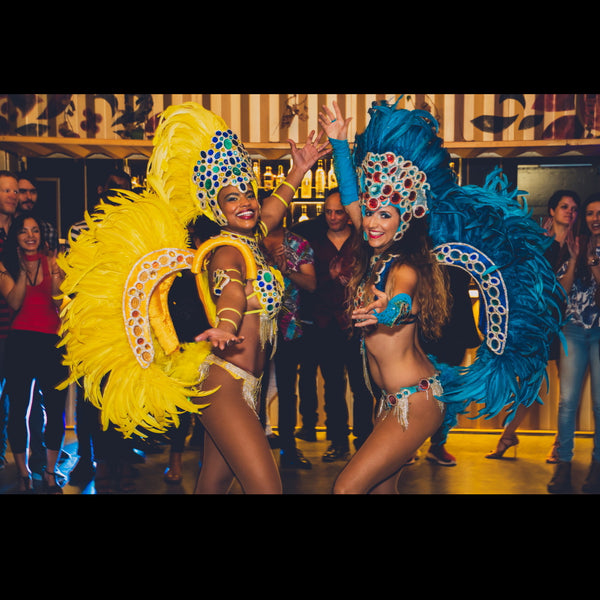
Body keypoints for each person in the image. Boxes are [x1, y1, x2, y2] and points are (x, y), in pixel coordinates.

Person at [58, 103, 328, 495]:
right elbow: (232, 289)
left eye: (247, 194)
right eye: (232, 198)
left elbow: (272, 206)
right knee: (268, 489)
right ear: (217, 210)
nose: (245, 203)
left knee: (213, 485)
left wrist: (299, 169)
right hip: (225, 384)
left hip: (248, 386)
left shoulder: (251, 238)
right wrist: (225, 324)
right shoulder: (226, 251)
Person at [319, 99, 563, 494]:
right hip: (392, 401)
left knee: (345, 489)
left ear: (404, 220)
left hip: (415, 401)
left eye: (386, 214)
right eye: (370, 211)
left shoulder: (405, 267)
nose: (373, 222)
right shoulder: (372, 251)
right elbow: (351, 196)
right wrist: (340, 146)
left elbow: (400, 300)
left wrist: (385, 312)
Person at [486, 190, 579, 461]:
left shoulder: (579, 244)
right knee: (531, 381)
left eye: (574, 208)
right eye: (564, 207)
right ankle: (508, 435)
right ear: (551, 211)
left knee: (568, 388)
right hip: (539, 321)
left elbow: (568, 288)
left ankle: (559, 445)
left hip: (570, 322)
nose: (570, 212)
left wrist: (573, 258)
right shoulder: (539, 242)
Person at [0, 214, 67, 493]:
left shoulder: (52, 262)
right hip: (20, 342)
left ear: (42, 235)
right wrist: (22, 273)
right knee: (18, 411)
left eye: (36, 230)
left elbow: (58, 297)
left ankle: (51, 471)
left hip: (51, 341)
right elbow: (14, 302)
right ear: (15, 236)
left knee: (55, 409)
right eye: (24, 231)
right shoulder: (6, 266)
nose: (30, 235)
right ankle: (24, 472)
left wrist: (55, 270)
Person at [309, 189, 375, 461]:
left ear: (348, 214)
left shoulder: (363, 242)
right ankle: (337, 442)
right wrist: (330, 276)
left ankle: (364, 442)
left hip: (358, 325)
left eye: (338, 211)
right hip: (326, 325)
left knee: (362, 386)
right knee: (333, 387)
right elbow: (309, 285)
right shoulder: (314, 243)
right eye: (328, 212)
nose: (333, 217)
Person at [547, 192, 600, 493]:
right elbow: (561, 293)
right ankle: (563, 468)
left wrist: (593, 263)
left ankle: (597, 467)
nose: (594, 218)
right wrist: (576, 258)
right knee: (567, 402)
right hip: (572, 331)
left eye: (598, 213)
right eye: (590, 213)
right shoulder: (572, 245)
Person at [262, 222, 316, 469]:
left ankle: (289, 449)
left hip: (288, 327)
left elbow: (311, 284)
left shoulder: (299, 243)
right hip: (255, 329)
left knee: (287, 391)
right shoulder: (248, 243)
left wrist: (285, 270)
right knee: (252, 390)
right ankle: (252, 448)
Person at [0, 171, 18, 473]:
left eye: (14, 190)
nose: (13, 195)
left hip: (16, 327)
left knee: (9, 399)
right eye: (6, 190)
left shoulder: (20, 232)